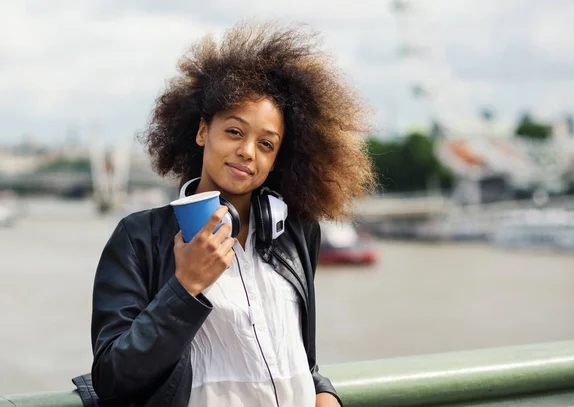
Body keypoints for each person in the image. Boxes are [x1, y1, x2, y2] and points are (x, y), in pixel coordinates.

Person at [86, 21, 375, 407]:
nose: (247, 152)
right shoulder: (138, 239)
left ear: (277, 160)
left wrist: (322, 390)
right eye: (235, 132)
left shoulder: (296, 234)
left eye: (266, 144)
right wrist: (185, 285)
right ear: (203, 131)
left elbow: (293, 354)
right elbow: (113, 378)